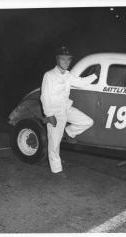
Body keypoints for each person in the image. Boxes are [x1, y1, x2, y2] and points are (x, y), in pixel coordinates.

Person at [40, 46, 97, 177]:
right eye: (63, 60)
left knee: (87, 122)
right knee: (54, 143)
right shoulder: (49, 75)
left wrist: (95, 75)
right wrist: (49, 115)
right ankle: (56, 170)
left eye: (68, 60)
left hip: (66, 108)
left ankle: (69, 132)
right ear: (57, 60)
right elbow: (45, 96)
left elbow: (81, 83)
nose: (66, 62)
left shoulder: (68, 75)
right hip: (54, 112)